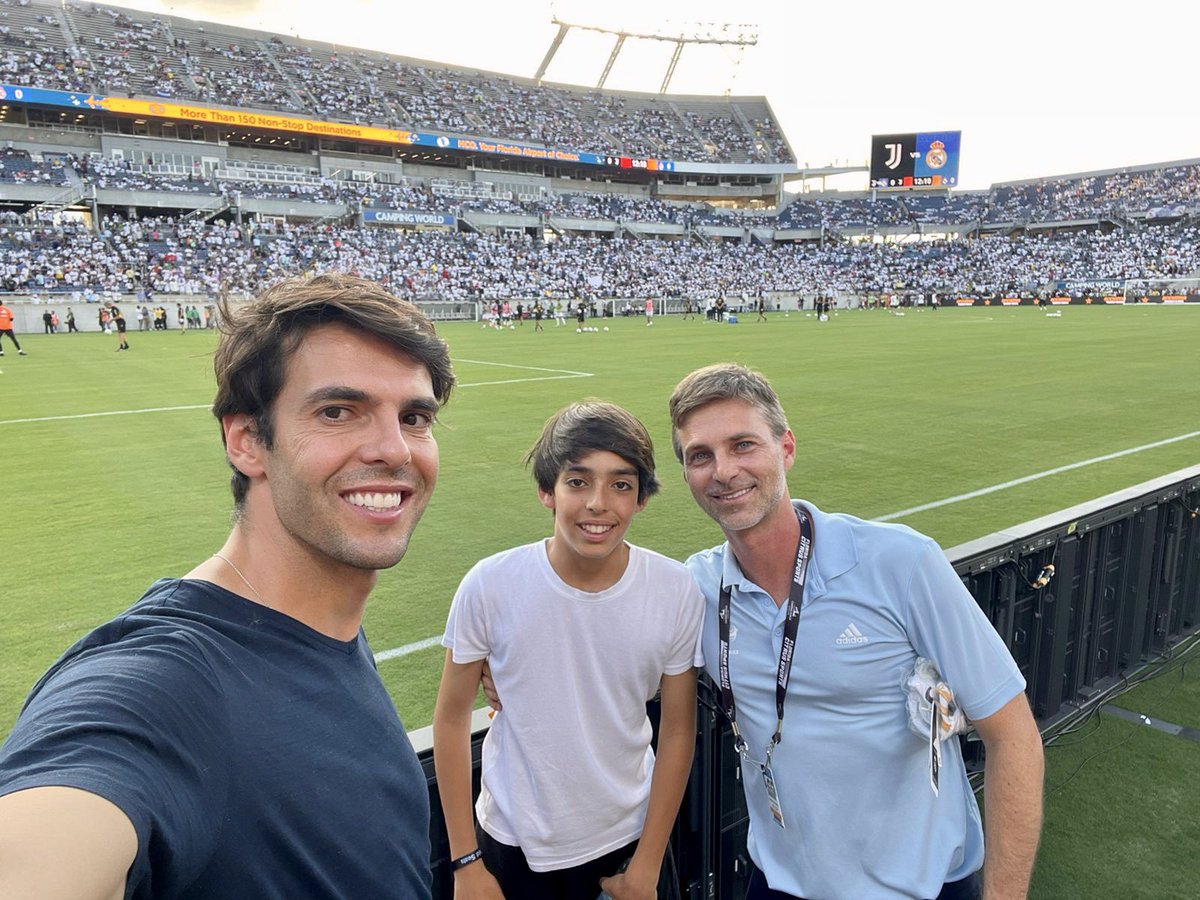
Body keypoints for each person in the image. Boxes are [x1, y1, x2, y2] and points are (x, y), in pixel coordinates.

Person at [0, 273, 456, 899]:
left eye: (414, 416)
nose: (393, 448)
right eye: (337, 411)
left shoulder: (321, 624)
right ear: (246, 441)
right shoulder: (161, 684)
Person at [667, 363, 1044, 900]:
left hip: (920, 889)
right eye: (699, 456)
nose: (723, 471)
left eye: (743, 445)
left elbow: (1014, 737)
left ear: (787, 448)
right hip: (778, 884)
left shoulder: (902, 562)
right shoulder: (696, 587)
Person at [434, 401, 703, 900]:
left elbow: (680, 728)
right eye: (577, 482)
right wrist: (466, 863)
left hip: (631, 840)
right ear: (547, 492)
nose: (598, 503)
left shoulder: (675, 589)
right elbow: (450, 721)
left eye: (621, 484)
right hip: (514, 845)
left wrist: (646, 865)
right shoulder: (489, 585)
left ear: (641, 498)